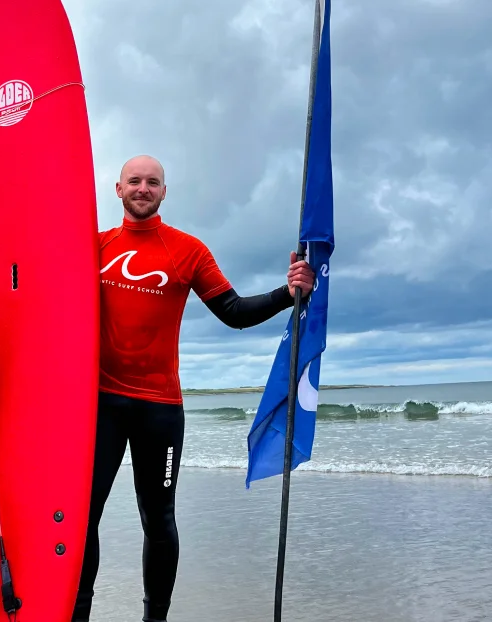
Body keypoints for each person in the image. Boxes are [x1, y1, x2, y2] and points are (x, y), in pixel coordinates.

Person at [71, 154, 316, 622]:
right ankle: (77, 612)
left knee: (158, 517)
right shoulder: (93, 247)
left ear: (164, 192)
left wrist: (289, 292)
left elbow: (235, 312)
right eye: (135, 181)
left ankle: (155, 618)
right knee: (84, 517)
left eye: (153, 182)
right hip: (99, 403)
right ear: (118, 189)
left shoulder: (187, 250)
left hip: (159, 406)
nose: (144, 188)